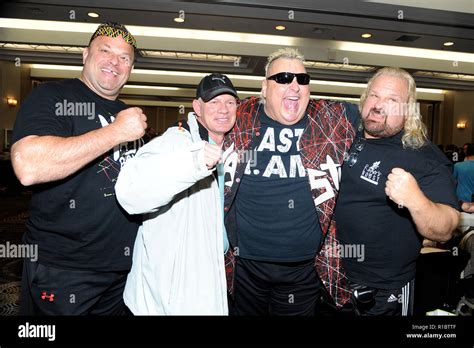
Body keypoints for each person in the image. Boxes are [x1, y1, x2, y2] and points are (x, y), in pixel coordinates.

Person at [11, 22, 147, 315]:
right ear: (85, 55)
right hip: (64, 269)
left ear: (131, 69)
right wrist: (115, 132)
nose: (115, 62)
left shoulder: (127, 115)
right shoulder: (53, 96)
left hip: (121, 268)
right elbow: (28, 166)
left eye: (125, 58)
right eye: (105, 51)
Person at [221, 48, 359, 315]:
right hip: (244, 266)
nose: (294, 86)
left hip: (305, 268)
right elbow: (197, 125)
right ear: (264, 87)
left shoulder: (331, 120)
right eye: (283, 78)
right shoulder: (238, 118)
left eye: (302, 79)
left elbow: (380, 118)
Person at [335, 67, 460, 315]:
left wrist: (416, 201)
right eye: (374, 95)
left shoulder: (422, 155)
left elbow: (446, 227)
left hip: (382, 291)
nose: (379, 105)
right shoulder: (347, 135)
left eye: (392, 100)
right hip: (332, 277)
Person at [115, 73, 238, 315]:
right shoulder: (176, 142)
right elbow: (130, 192)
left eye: (230, 102)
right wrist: (194, 162)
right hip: (167, 300)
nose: (223, 109)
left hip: (208, 282)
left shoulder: (231, 151)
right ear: (197, 107)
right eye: (213, 102)